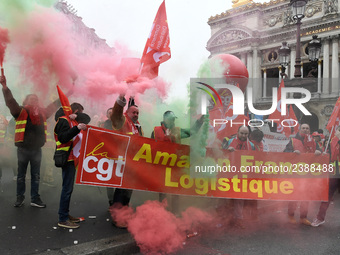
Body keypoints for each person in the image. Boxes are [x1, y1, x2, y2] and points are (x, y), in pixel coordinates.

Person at [0, 74, 60, 208]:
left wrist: (65, 94)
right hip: (23, 149)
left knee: (36, 175)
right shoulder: (20, 111)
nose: (35, 101)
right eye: (32, 99)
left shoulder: (42, 112)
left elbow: (54, 105)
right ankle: (20, 198)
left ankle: (35, 198)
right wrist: (5, 87)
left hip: (37, 149)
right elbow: (10, 101)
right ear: (26, 101)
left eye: (36, 99)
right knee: (21, 176)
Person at [151, 111, 204, 213]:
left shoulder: (177, 131)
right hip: (161, 166)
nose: (173, 121)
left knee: (175, 190)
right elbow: (149, 148)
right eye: (171, 119)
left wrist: (199, 121)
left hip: (175, 165)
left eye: (174, 119)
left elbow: (192, 131)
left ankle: (175, 212)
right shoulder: (155, 131)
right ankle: (162, 212)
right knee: (162, 190)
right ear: (165, 118)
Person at [54, 103, 90, 229]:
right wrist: (77, 128)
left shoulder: (71, 120)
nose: (81, 115)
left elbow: (86, 119)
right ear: (75, 110)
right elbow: (63, 138)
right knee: (67, 189)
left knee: (68, 188)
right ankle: (63, 218)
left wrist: (77, 121)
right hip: (67, 158)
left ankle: (65, 214)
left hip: (71, 159)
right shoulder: (64, 120)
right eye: (80, 112)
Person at [110, 95, 143, 228]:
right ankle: (117, 218)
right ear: (127, 112)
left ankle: (125, 214)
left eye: (137, 113)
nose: (136, 114)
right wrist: (120, 100)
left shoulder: (137, 126)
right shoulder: (123, 121)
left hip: (133, 164)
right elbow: (116, 115)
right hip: (123, 161)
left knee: (128, 190)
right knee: (121, 189)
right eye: (133, 112)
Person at [284, 123, 322, 225]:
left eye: (307, 128)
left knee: (306, 196)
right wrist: (292, 151)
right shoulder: (292, 141)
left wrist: (319, 151)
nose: (305, 130)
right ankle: (291, 215)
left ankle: (303, 217)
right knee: (294, 196)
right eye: (303, 128)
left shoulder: (313, 141)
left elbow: (320, 151)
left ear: (309, 131)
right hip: (295, 174)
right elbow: (285, 153)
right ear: (300, 129)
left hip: (309, 174)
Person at [221, 125, 256, 228]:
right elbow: (219, 154)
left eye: (246, 134)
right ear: (237, 132)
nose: (243, 135)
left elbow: (256, 159)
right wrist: (227, 150)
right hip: (228, 173)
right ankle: (225, 218)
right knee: (225, 197)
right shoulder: (228, 141)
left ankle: (238, 219)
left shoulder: (252, 146)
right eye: (242, 133)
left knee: (239, 198)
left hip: (242, 174)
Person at [311, 125, 340, 227]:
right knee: (326, 198)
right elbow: (331, 156)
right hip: (333, 174)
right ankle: (320, 218)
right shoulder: (331, 141)